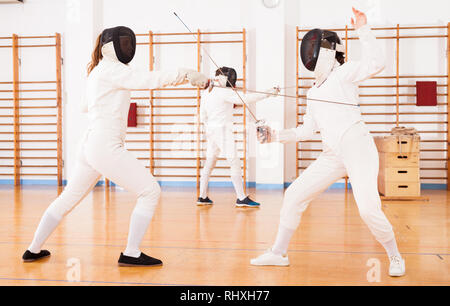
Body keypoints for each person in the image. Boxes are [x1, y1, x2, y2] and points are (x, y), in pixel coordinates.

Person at [22, 26, 209, 267]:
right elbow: (146, 80)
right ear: (111, 47)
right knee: (150, 191)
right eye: (124, 42)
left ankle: (33, 249)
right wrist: (184, 74)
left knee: (69, 197)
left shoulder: (99, 71)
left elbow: (84, 105)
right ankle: (131, 252)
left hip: (90, 143)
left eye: (129, 43)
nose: (128, 47)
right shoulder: (112, 70)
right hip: (104, 145)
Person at [251, 8, 405, 277]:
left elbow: (377, 63)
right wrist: (274, 136)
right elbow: (304, 131)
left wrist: (363, 29)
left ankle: (395, 255)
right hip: (332, 154)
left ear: (327, 51)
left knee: (368, 209)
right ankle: (278, 253)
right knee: (294, 194)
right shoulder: (312, 93)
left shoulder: (343, 74)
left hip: (357, 146)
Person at [197, 67, 279, 207]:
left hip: (211, 131)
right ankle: (241, 198)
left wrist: (212, 125)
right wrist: (267, 93)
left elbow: (203, 115)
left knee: (209, 163)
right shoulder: (223, 91)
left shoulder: (207, 91)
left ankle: (202, 196)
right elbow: (245, 99)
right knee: (234, 162)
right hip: (222, 130)